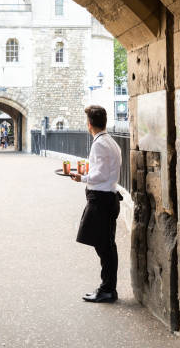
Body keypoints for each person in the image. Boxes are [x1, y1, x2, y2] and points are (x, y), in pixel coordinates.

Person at [71, 105, 122, 303]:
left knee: (104, 247)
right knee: (106, 246)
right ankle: (108, 288)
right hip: (107, 197)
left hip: (100, 200)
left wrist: (82, 177)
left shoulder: (99, 144)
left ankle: (107, 289)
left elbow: (99, 174)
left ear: (89, 124)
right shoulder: (111, 142)